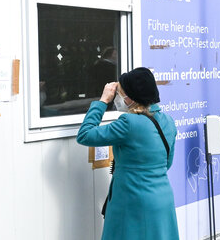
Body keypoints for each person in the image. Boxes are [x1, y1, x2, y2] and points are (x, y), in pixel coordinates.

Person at [77, 67, 179, 240]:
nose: (117, 99)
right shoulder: (168, 121)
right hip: (162, 200)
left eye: (119, 94)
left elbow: (85, 135)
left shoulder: (128, 123)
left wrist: (102, 101)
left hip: (132, 202)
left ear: (131, 99)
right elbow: (167, 163)